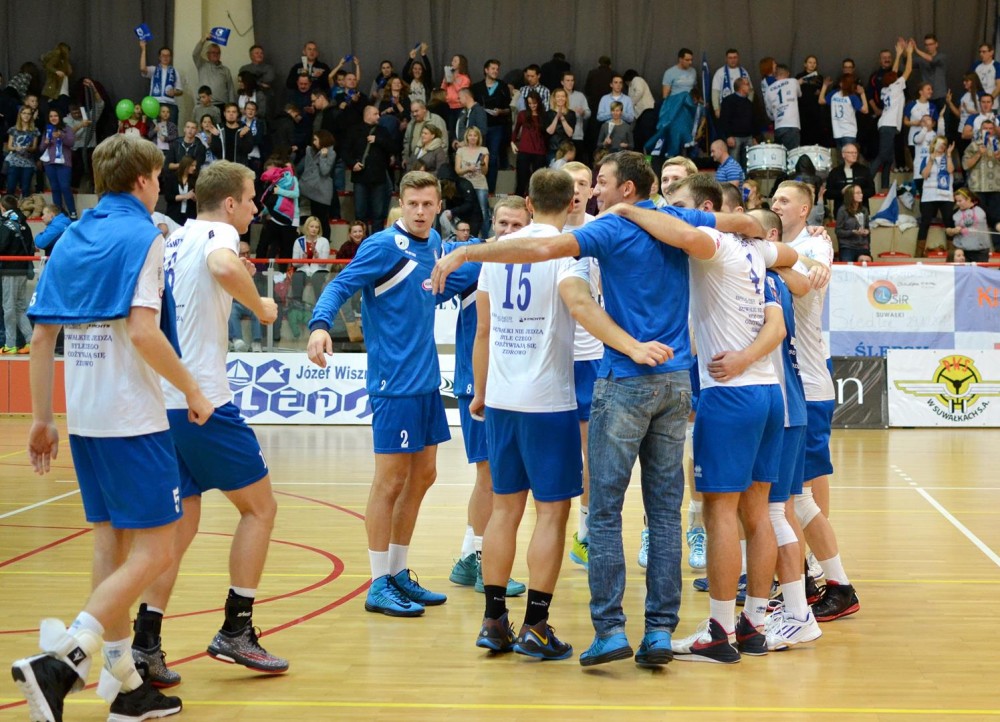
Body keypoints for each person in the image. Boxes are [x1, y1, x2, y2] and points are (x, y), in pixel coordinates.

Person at [431, 151, 766, 669]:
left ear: (627, 189)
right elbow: (745, 224)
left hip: (621, 379)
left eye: (603, 182)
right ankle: (659, 632)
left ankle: (609, 631)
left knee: (602, 511)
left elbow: (545, 250)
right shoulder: (677, 218)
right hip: (676, 378)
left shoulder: (610, 227)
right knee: (664, 513)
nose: (595, 193)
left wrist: (467, 252)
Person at [12, 133, 214, 722]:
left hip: (85, 419)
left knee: (112, 546)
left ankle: (127, 686)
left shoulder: (73, 235)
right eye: (158, 176)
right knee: (157, 549)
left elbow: (42, 337)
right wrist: (193, 389)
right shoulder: (145, 237)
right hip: (133, 418)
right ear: (144, 180)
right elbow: (145, 332)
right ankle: (65, 660)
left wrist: (43, 419)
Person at [133, 160, 285, 687]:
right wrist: (260, 306)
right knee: (260, 509)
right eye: (251, 198)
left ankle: (145, 644)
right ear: (229, 203)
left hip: (162, 401)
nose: (255, 207)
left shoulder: (174, 238)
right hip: (203, 402)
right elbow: (223, 267)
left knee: (181, 525)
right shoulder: (219, 235)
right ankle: (236, 629)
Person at [306, 170, 480, 617]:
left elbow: (449, 283)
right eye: (412, 204)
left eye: (428, 204)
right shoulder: (383, 246)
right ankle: (377, 582)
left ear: (439, 206)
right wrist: (320, 325)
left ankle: (399, 572)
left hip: (426, 383)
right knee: (390, 482)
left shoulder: (436, 246)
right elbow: (340, 285)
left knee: (424, 476)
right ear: (400, 204)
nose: (420, 211)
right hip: (393, 385)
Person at [644, 177, 793, 664]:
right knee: (759, 512)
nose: (672, 211)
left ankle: (718, 630)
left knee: (720, 513)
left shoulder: (714, 241)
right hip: (768, 393)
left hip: (729, 394)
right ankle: (754, 624)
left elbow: (682, 232)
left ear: (708, 209)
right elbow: (791, 257)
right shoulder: (756, 251)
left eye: (679, 204)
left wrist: (627, 211)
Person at [472, 170, 586, 660]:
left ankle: (493, 621)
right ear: (573, 202)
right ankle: (536, 626)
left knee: (504, 510)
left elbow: (482, 330)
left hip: (501, 398)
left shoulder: (495, 250)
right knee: (552, 513)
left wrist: (480, 390)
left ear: (528, 202)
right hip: (548, 400)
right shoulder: (568, 251)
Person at [769, 180, 861, 624]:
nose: (776, 204)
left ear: (805, 209)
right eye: (773, 199)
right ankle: (801, 579)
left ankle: (836, 584)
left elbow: (807, 282)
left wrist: (780, 255)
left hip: (808, 384)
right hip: (785, 384)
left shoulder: (815, 244)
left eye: (784, 200)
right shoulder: (778, 245)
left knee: (800, 495)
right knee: (787, 497)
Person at [446, 198, 530, 599]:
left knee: (494, 474)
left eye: (517, 225)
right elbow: (430, 286)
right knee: (491, 476)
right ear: (491, 225)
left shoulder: (533, 260)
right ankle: (483, 562)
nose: (508, 231)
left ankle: (468, 556)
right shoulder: (476, 263)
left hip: (511, 386)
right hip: (477, 385)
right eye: (502, 224)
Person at [874, 40, 914, 189]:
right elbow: (908, 70)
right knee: (882, 156)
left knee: (888, 159)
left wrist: (897, 55)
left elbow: (894, 72)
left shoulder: (885, 89)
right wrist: (909, 53)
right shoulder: (896, 87)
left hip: (886, 124)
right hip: (889, 125)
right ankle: (865, 181)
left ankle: (885, 188)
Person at [0, 196, 35, 354]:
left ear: (3, 207)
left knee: (8, 307)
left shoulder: (7, 224)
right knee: (20, 307)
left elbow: (2, 246)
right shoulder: (24, 224)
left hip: (10, 270)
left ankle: (10, 344)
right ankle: (30, 341)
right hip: (23, 269)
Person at [472, 59, 512, 192]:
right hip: (479, 128)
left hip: (496, 127)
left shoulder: (502, 86)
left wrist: (500, 111)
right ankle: (478, 187)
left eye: (497, 69)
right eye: (493, 68)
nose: (495, 71)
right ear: (486, 70)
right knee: (479, 157)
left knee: (493, 157)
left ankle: (490, 189)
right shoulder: (476, 87)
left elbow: (508, 109)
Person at [918, 136, 955, 256]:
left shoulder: (948, 158)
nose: (941, 146)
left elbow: (950, 170)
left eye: (944, 144)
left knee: (949, 221)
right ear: (934, 144)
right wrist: (930, 161)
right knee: (925, 222)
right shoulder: (926, 158)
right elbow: (924, 175)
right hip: (929, 196)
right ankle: (919, 252)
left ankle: (951, 252)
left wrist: (949, 155)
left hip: (946, 196)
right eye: (939, 143)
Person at [297, 130, 337, 239]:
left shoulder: (331, 153)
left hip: (321, 192)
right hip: (307, 190)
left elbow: (325, 171)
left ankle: (325, 243)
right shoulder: (310, 151)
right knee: (309, 220)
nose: (314, 142)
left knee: (322, 220)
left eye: (316, 139)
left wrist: (323, 157)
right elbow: (304, 168)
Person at [963, 118, 1000, 234]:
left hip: (996, 188)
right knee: (979, 219)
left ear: (994, 130)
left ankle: (997, 244)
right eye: (985, 128)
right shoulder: (973, 146)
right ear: (980, 130)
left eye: (991, 128)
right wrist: (978, 153)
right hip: (977, 188)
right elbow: (965, 165)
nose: (988, 131)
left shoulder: (999, 146)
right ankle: (980, 244)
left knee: (997, 218)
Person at [39, 109, 77, 219]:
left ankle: (73, 213)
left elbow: (71, 143)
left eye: (55, 115)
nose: (53, 118)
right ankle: (58, 214)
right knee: (55, 188)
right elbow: (41, 148)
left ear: (60, 117)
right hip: (49, 164)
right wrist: (46, 142)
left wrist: (61, 136)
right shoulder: (47, 130)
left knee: (65, 187)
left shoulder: (67, 129)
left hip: (64, 163)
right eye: (51, 116)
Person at [455, 126, 490, 234]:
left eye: (475, 135)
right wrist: (468, 169)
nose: (472, 138)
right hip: (465, 185)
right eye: (470, 135)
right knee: (466, 211)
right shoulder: (461, 150)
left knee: (483, 211)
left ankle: (485, 237)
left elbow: (485, 172)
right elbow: (458, 170)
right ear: (466, 137)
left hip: (480, 184)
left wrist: (482, 163)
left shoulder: (483, 150)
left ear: (478, 137)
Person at [819, 74, 868, 148]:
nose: (840, 83)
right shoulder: (836, 93)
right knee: (843, 154)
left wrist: (862, 94)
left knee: (847, 153)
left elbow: (865, 110)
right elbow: (821, 101)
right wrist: (825, 86)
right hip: (839, 132)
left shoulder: (851, 96)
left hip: (847, 132)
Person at [291, 215, 331, 306]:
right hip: (303, 269)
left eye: (317, 227)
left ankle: (319, 304)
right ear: (307, 227)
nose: (314, 229)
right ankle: (297, 304)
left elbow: (324, 264)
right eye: (312, 226)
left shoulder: (324, 241)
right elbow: (294, 263)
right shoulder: (299, 241)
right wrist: (302, 260)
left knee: (317, 277)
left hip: (320, 270)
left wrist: (316, 255)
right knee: (297, 276)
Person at [512, 91, 547, 196]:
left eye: (534, 103)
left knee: (538, 180)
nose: (532, 106)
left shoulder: (544, 115)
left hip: (539, 150)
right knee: (521, 178)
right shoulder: (522, 114)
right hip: (524, 149)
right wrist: (512, 142)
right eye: (530, 103)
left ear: (538, 102)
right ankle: (518, 199)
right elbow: (516, 130)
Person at [140, 42, 182, 125]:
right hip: (155, 104)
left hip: (170, 104)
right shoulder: (154, 69)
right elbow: (142, 68)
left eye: (168, 55)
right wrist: (143, 49)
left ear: (170, 57)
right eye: (163, 55)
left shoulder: (175, 71)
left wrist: (174, 92)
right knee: (153, 129)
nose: (165, 57)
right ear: (159, 57)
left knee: (171, 129)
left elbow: (180, 91)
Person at [825, 144, 875, 214]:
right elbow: (828, 193)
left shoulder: (864, 170)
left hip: (861, 211)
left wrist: (857, 193)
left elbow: (872, 190)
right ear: (843, 154)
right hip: (841, 212)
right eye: (851, 153)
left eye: (855, 153)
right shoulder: (835, 172)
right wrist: (841, 192)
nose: (854, 155)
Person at [947, 188, 991, 262]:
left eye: (960, 201)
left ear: (969, 199)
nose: (957, 203)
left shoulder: (982, 208)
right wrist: (953, 231)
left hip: (981, 250)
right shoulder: (954, 213)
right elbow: (948, 230)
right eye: (956, 201)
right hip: (962, 251)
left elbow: (994, 221)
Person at [718, 77, 754, 167]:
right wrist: (728, 136)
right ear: (741, 87)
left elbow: (753, 120)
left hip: (748, 137)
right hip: (734, 138)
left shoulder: (749, 103)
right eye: (747, 84)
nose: (749, 87)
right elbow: (724, 120)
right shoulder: (728, 101)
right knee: (734, 165)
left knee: (749, 166)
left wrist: (754, 137)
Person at [765, 64, 802, 151]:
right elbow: (799, 94)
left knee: (780, 155)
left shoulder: (768, 90)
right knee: (792, 154)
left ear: (775, 75)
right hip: (791, 125)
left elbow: (769, 113)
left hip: (778, 126)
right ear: (787, 73)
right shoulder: (793, 81)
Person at [6, 106, 40, 196]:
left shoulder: (34, 130)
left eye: (29, 113)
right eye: (24, 113)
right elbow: (9, 146)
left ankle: (25, 204)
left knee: (26, 188)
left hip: (28, 162)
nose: (26, 115)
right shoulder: (13, 129)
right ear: (20, 114)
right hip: (14, 161)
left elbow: (34, 147)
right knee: (10, 187)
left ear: (31, 116)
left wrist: (28, 148)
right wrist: (15, 148)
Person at [193, 34, 235, 104]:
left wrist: (232, 105)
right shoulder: (201, 64)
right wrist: (203, 40)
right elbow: (195, 54)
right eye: (213, 52)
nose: (215, 54)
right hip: (204, 104)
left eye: (218, 53)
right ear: (207, 54)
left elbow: (231, 90)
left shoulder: (226, 70)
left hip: (221, 104)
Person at [712, 49, 753, 118]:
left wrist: (749, 105)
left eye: (735, 57)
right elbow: (715, 92)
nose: (733, 60)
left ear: (738, 58)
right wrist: (716, 109)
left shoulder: (744, 72)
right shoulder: (720, 72)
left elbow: (751, 91)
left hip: (742, 107)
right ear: (726, 59)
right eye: (730, 58)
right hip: (726, 107)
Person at [835, 184, 871, 261]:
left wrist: (867, 231)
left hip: (862, 245)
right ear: (850, 195)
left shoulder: (864, 210)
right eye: (857, 193)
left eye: (861, 193)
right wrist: (852, 232)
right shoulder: (842, 211)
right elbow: (838, 231)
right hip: (847, 246)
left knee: (866, 261)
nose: (861, 195)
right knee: (847, 265)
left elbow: (867, 227)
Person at [162, 156, 198, 226]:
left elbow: (198, 197)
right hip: (174, 214)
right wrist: (185, 196)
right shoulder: (172, 178)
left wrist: (195, 198)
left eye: (195, 166)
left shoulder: (195, 179)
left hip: (190, 215)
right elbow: (168, 197)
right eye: (192, 165)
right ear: (185, 165)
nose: (194, 168)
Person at [545, 88, 577, 160]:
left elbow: (570, 133)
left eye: (563, 96)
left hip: (566, 149)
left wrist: (562, 118)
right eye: (558, 96)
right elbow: (549, 131)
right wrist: (556, 117)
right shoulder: (548, 114)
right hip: (552, 148)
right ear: (554, 99)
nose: (560, 98)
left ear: (566, 98)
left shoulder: (571, 114)